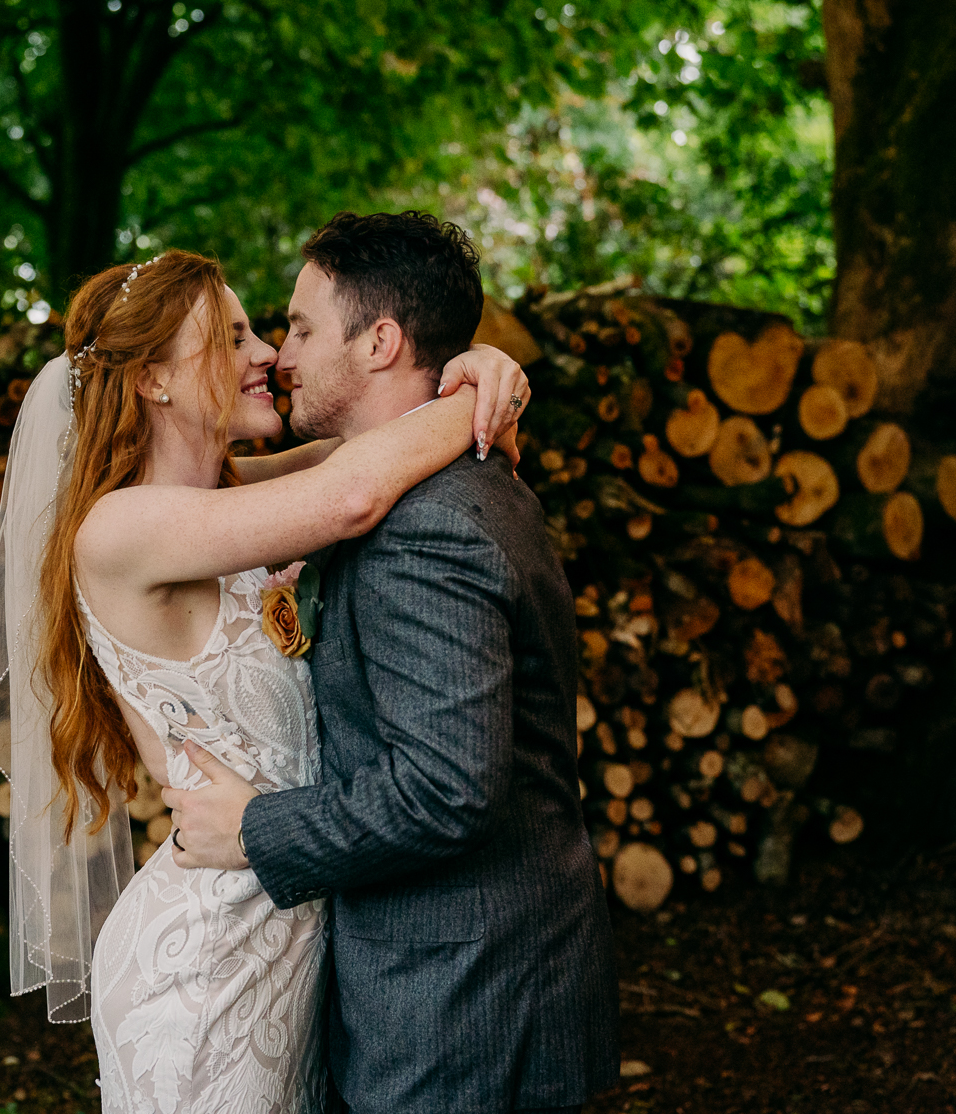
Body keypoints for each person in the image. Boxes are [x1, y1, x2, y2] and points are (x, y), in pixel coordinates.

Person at [0, 245, 533, 1114]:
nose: (266, 353)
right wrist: (475, 395)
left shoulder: (235, 496)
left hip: (289, 922)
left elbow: (373, 452)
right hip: (204, 961)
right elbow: (354, 494)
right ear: (156, 379)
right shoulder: (118, 529)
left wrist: (480, 366)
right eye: (231, 336)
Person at [164, 212, 619, 1114]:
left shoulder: (428, 524)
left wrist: (255, 830)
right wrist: (477, 387)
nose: (279, 353)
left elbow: (447, 788)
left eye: (297, 326)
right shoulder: (441, 482)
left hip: (462, 1006)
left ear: (380, 341)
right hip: (455, 981)